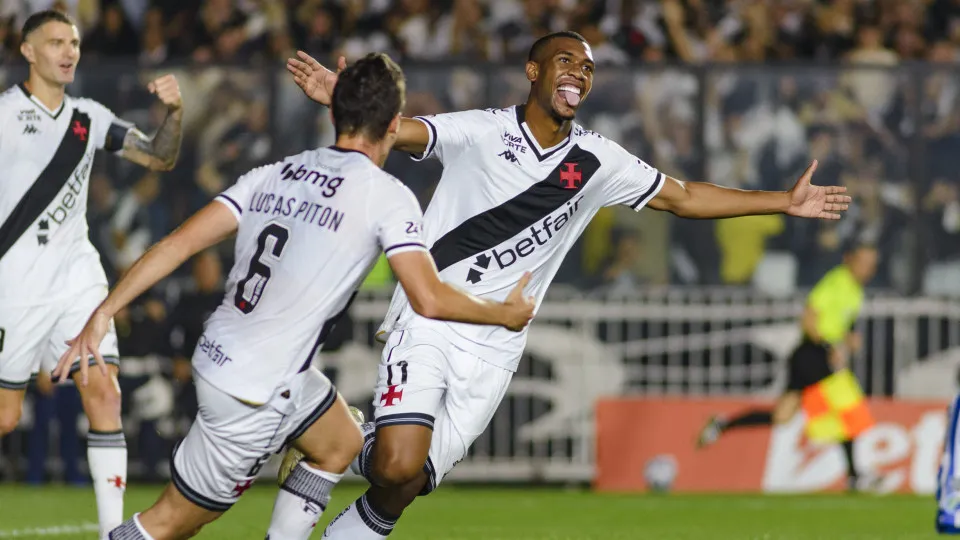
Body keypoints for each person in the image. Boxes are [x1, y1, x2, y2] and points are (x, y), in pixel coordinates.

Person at [285, 31, 852, 539]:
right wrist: (345, 99)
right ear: (534, 72)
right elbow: (397, 131)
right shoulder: (481, 131)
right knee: (396, 464)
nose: (579, 72)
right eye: (565, 61)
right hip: (433, 314)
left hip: (499, 341)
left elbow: (683, 196)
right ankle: (339, 439)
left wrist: (781, 200)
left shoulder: (597, 160)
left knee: (408, 484)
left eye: (587, 68)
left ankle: (343, 446)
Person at [53, 52, 534, 540]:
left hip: (231, 354)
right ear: (394, 124)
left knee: (340, 440)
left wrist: (104, 311)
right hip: (253, 390)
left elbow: (176, 244)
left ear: (333, 114)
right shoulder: (386, 196)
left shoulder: (275, 173)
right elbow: (428, 299)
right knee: (171, 522)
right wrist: (504, 314)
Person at [0, 9, 182, 538]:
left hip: (77, 279)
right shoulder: (6, 114)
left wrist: (174, 112)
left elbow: (160, 158)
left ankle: (113, 533)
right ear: (28, 52)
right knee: (6, 419)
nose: (68, 51)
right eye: (55, 42)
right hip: (14, 288)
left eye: (74, 42)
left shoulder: (90, 117)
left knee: (104, 391)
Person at [697, 243, 879, 491]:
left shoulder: (856, 291)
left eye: (871, 265)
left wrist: (847, 339)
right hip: (813, 356)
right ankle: (855, 475)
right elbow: (809, 317)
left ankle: (722, 424)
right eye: (863, 263)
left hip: (813, 356)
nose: (868, 269)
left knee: (782, 417)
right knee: (848, 408)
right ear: (849, 259)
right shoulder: (836, 282)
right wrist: (829, 346)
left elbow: (837, 323)